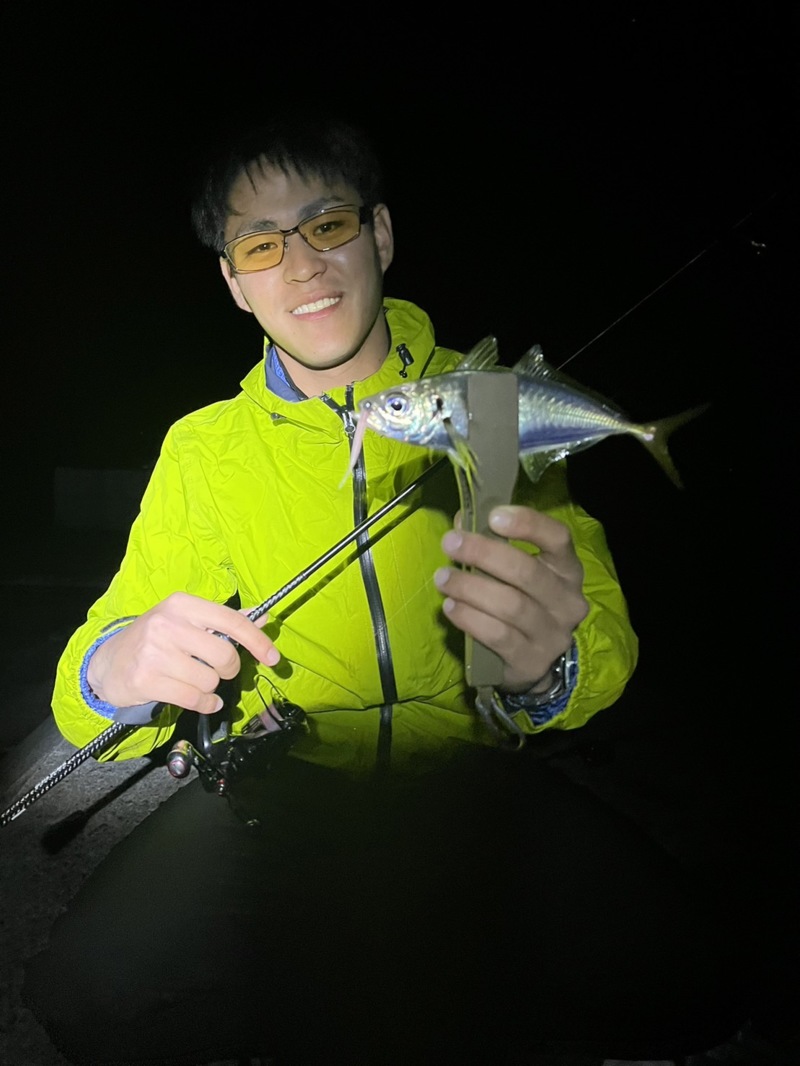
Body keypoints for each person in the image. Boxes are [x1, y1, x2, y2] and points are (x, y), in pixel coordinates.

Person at [23, 111, 755, 1066]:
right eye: (260, 243)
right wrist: (119, 664)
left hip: (468, 768)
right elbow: (100, 657)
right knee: (91, 997)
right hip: (279, 781)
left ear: (380, 235)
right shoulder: (205, 450)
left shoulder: (486, 402)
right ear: (234, 284)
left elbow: (588, 624)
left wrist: (548, 671)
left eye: (328, 224)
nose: (301, 264)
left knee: (693, 980)